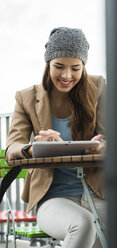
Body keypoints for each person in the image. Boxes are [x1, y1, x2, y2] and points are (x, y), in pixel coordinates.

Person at [6, 27, 106, 248]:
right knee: (84, 224)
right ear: (48, 63)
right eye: (59, 66)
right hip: (54, 198)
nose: (67, 75)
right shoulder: (26, 98)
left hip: (99, 192)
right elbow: (12, 147)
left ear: (84, 68)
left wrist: (104, 145)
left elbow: (112, 139)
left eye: (75, 68)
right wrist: (33, 148)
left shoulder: (97, 88)